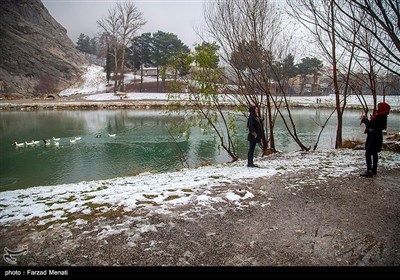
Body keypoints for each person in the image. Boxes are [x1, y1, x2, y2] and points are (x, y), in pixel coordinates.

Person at [359, 102, 391, 177]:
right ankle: (374, 170)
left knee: (368, 153)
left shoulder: (380, 116)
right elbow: (374, 124)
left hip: (373, 137)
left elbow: (371, 124)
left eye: (379, 107)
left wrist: (364, 120)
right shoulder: (383, 116)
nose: (377, 108)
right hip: (377, 136)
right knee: (374, 153)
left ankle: (369, 171)